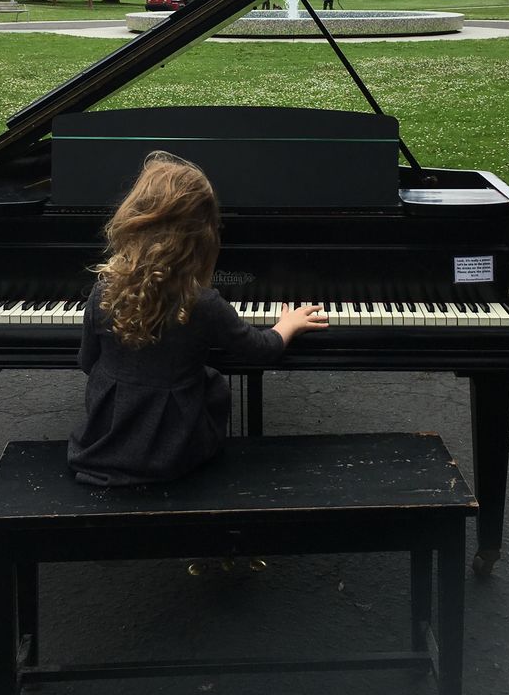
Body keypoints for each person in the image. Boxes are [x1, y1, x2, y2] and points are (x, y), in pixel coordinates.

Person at [68, 152, 327, 488]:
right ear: (203, 235)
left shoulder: (104, 289)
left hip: (103, 445)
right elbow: (259, 350)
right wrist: (286, 325)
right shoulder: (201, 303)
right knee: (211, 383)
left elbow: (88, 363)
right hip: (172, 453)